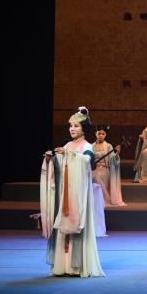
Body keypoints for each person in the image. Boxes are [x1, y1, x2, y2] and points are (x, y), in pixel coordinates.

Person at [40, 107, 104, 277]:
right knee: (63, 225)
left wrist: (68, 155)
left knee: (77, 224)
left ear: (83, 128)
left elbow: (87, 161)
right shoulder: (67, 145)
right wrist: (51, 159)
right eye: (70, 126)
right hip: (65, 194)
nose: (72, 129)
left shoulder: (87, 146)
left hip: (78, 195)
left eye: (76, 126)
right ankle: (62, 266)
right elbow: (61, 164)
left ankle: (76, 266)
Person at [91, 124, 126, 207]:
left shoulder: (108, 146)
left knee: (98, 176)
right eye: (99, 133)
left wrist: (117, 153)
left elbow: (112, 159)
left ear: (105, 135)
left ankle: (103, 200)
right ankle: (93, 200)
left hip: (104, 168)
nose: (101, 135)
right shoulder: (91, 146)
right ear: (96, 134)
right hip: (93, 168)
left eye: (103, 134)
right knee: (92, 176)